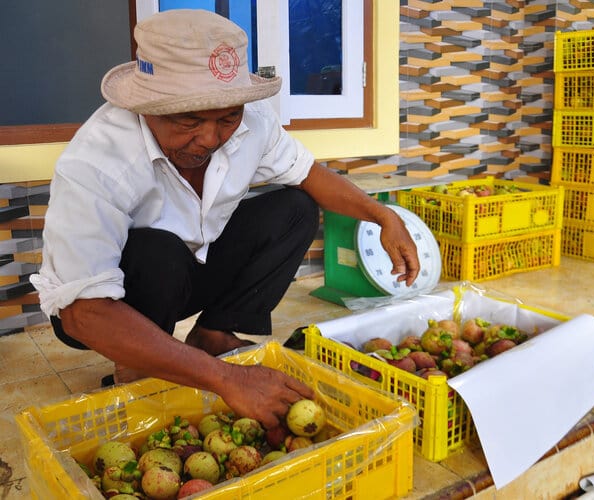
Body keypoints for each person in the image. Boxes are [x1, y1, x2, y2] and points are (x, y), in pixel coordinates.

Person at [29, 9, 420, 429]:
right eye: (189, 120)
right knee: (157, 250)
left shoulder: (252, 122)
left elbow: (308, 174)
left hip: (190, 269)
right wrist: (228, 380)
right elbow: (83, 314)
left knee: (295, 208)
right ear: (146, 108)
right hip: (103, 304)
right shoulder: (97, 162)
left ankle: (212, 335)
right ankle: (138, 367)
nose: (211, 139)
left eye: (227, 118)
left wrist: (382, 216)